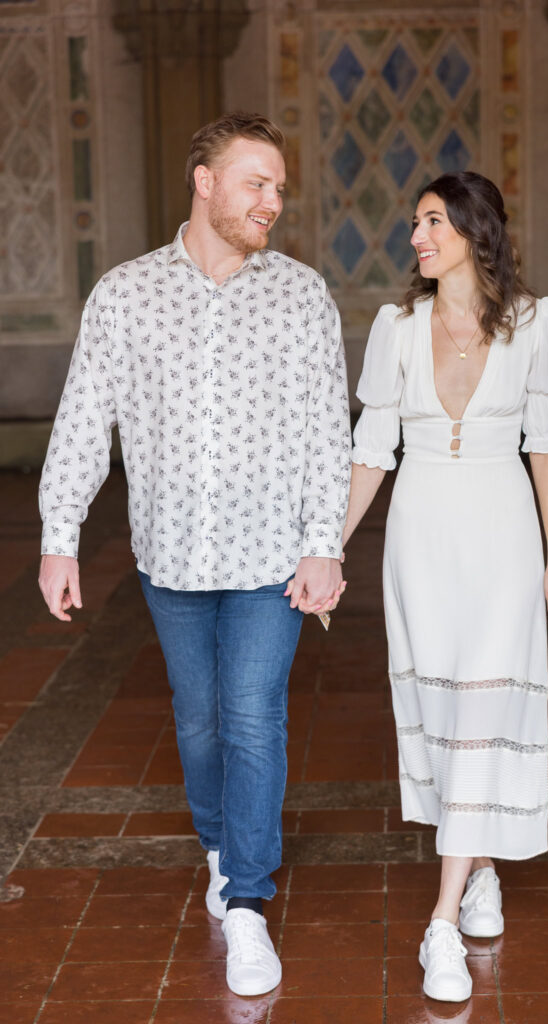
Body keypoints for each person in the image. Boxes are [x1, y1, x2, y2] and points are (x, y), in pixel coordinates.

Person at [38, 111, 351, 997]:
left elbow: (329, 432)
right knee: (197, 716)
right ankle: (220, 846)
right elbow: (82, 420)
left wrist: (321, 545)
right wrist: (59, 539)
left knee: (254, 718)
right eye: (257, 183)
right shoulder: (126, 294)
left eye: (281, 188)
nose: (273, 203)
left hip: (268, 558)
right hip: (169, 554)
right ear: (204, 181)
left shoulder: (300, 294)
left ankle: (247, 900)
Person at [342, 171, 548, 1002]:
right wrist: (328, 549)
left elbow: (545, 443)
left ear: (475, 232)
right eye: (414, 223)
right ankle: (478, 870)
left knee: (481, 708)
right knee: (445, 722)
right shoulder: (395, 326)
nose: (415, 237)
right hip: (419, 544)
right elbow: (372, 448)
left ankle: (440, 921)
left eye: (431, 221)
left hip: (502, 542)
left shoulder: (532, 322)